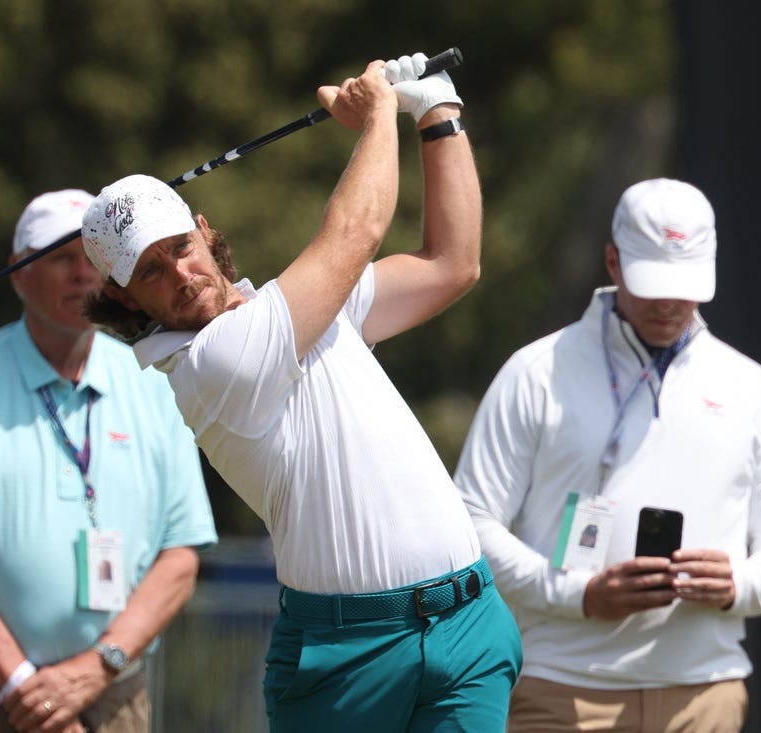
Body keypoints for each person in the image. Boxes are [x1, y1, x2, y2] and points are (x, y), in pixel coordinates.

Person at [80, 53, 522, 732]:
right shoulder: (211, 364)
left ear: (204, 227)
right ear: (122, 297)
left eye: (180, 245)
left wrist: (436, 109)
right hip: (346, 660)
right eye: (151, 269)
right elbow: (356, 230)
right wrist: (381, 114)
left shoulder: (305, 311)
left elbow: (451, 263)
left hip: (467, 626)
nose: (182, 272)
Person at [453, 178, 761, 732]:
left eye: (684, 285)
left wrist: (738, 583)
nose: (668, 302)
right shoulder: (536, 373)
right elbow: (468, 526)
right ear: (612, 262)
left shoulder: (748, 386)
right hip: (560, 691)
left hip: (704, 696)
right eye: (652, 282)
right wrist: (581, 595)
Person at [0, 187, 217, 733]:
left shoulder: (153, 378)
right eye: (59, 258)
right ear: (17, 273)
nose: (81, 274)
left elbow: (180, 558)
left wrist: (94, 668)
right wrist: (25, 689)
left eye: (93, 261)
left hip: (111, 689)